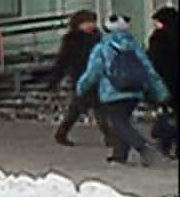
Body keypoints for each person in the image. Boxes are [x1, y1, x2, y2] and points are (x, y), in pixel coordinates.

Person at [76, 14, 171, 167]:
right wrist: (161, 91)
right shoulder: (135, 46)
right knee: (122, 121)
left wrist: (81, 88)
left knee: (118, 123)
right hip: (134, 91)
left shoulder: (102, 48)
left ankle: (143, 148)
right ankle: (119, 155)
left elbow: (93, 72)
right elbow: (149, 70)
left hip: (112, 92)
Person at [45, 10, 105, 147]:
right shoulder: (72, 40)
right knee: (80, 107)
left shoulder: (98, 37)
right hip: (80, 77)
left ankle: (110, 136)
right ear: (78, 24)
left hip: (97, 76)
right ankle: (62, 133)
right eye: (87, 22)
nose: (90, 25)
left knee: (98, 107)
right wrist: (55, 79)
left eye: (92, 22)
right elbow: (63, 60)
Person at [150, 6, 179, 158]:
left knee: (165, 114)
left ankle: (165, 145)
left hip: (165, 81)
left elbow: (155, 62)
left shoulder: (159, 38)